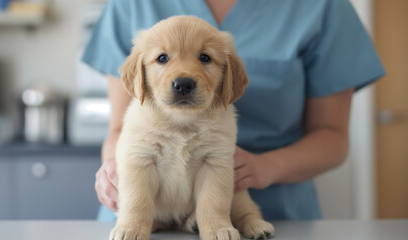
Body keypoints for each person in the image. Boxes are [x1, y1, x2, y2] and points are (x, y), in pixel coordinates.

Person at [82, 0, 385, 221]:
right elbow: (120, 129)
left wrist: (264, 167)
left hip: (272, 214)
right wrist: (115, 170)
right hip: (147, 217)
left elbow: (332, 137)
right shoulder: (129, 5)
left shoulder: (323, 7)